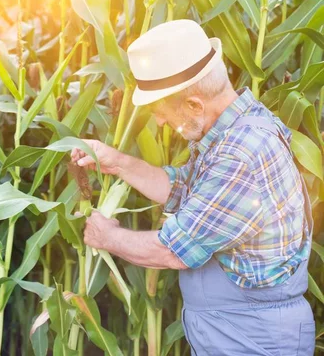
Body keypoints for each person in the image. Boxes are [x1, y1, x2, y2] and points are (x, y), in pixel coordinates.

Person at [71, 19, 315, 355]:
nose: (158, 122)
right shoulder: (234, 133)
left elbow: (172, 251)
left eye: (160, 112)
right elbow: (183, 189)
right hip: (239, 332)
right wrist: (117, 162)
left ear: (194, 106)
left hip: (253, 339)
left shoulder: (240, 155)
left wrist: (106, 236)